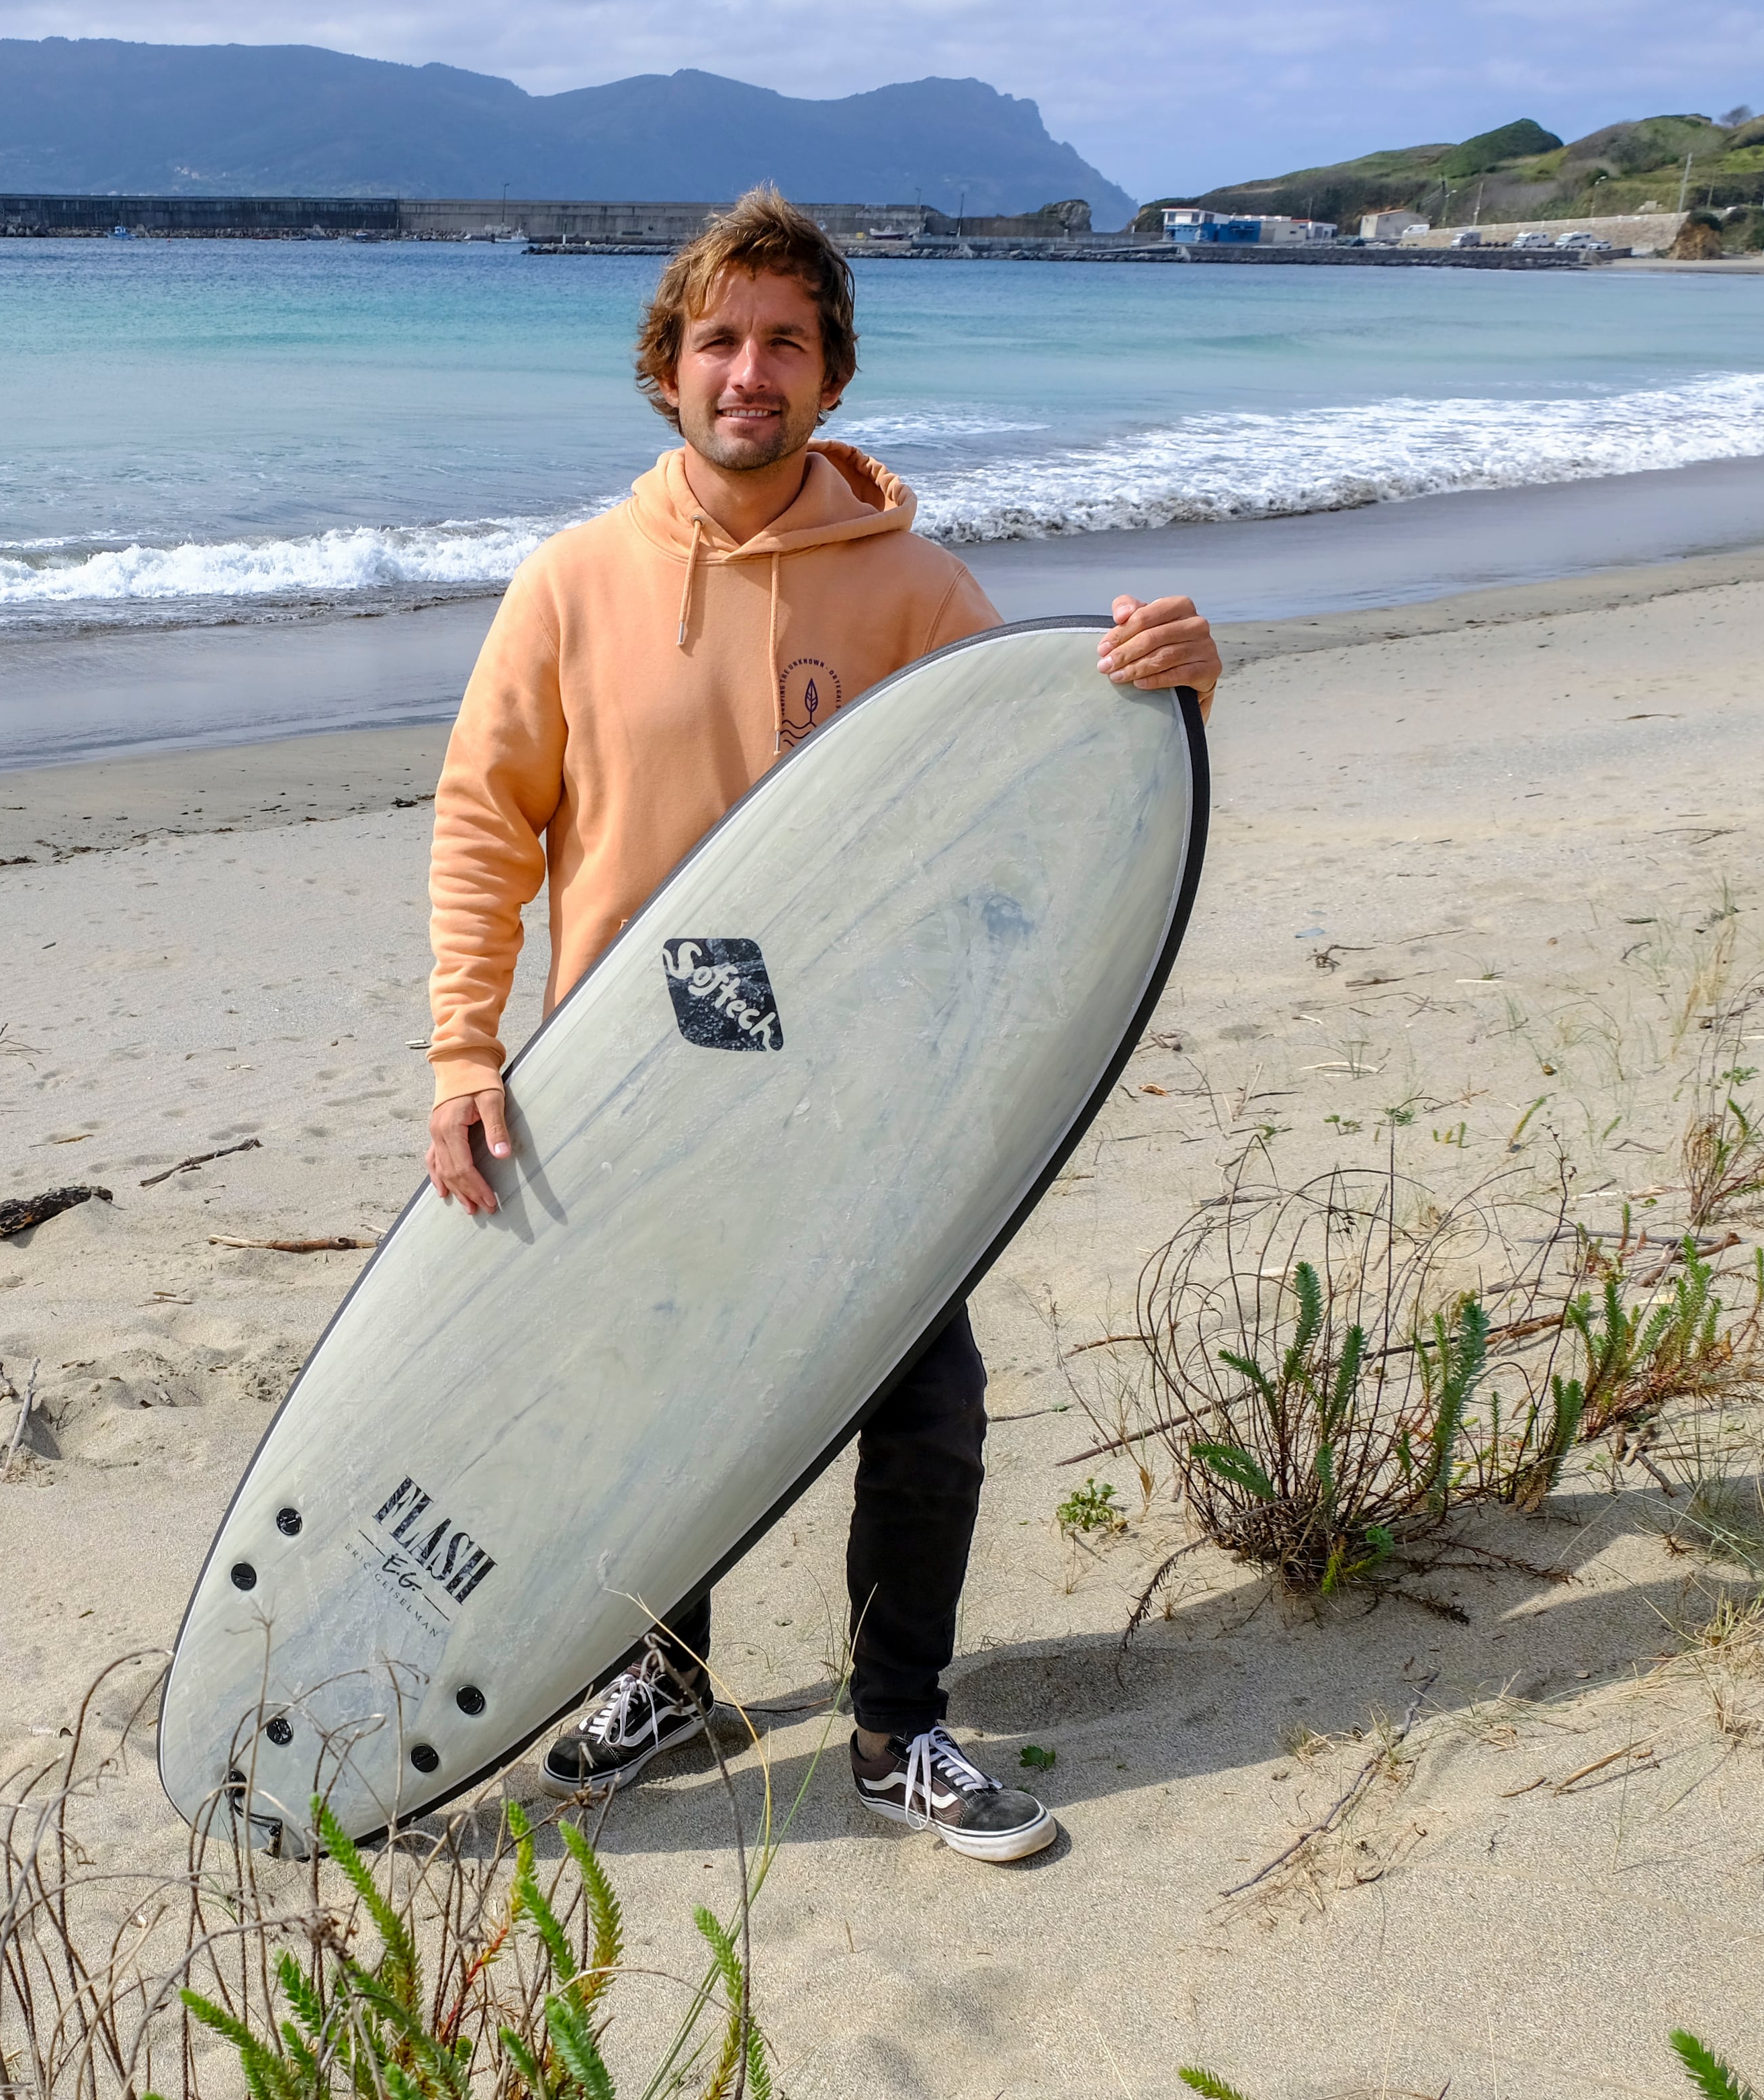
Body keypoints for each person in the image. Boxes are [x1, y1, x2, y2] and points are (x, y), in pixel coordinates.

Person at [420, 185, 1220, 1864]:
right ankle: (664, 1679)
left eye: (785, 340)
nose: (749, 369)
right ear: (668, 368)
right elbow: (485, 824)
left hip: (865, 1097)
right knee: (642, 1404)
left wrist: (1168, 687)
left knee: (921, 1411)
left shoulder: (914, 587)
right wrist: (463, 1051)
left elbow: (1030, 795)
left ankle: (896, 1729)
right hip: (630, 1079)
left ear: (831, 378)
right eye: (719, 337)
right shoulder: (570, 584)